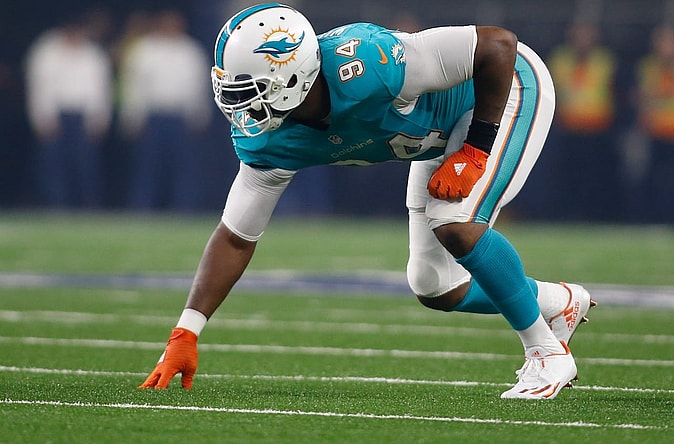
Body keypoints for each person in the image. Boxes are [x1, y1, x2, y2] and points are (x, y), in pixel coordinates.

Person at [139, 3, 595, 400]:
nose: (243, 110)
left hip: (503, 90)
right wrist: (186, 332)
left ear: (292, 75)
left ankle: (546, 352)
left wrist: (476, 148)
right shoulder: (268, 141)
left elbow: (497, 45)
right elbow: (236, 237)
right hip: (438, 137)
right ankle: (557, 302)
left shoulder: (364, 64)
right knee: (435, 284)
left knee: (453, 222)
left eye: (252, 91)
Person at [119, 10, 211, 211]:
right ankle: (142, 208)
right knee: (148, 167)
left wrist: (199, 114)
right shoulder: (145, 50)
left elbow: (199, 86)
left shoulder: (190, 51)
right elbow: (134, 85)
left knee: (183, 168)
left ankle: (183, 208)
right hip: (153, 116)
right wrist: (132, 116)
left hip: (180, 117)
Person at [24, 13, 113, 208]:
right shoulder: (46, 51)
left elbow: (100, 89)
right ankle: (55, 206)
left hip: (83, 116)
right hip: (55, 115)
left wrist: (100, 118)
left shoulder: (93, 54)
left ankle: (89, 206)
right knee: (53, 166)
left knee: (86, 165)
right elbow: (39, 86)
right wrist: (41, 116)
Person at [547, 21, 621, 222]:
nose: (582, 40)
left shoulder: (604, 60)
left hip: (596, 129)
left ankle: (593, 215)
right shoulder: (560, 58)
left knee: (594, 177)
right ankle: (566, 214)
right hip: (568, 128)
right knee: (567, 176)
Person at [630, 25, 674, 224]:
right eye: (663, 43)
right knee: (651, 178)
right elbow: (642, 95)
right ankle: (647, 219)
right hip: (655, 130)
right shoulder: (648, 66)